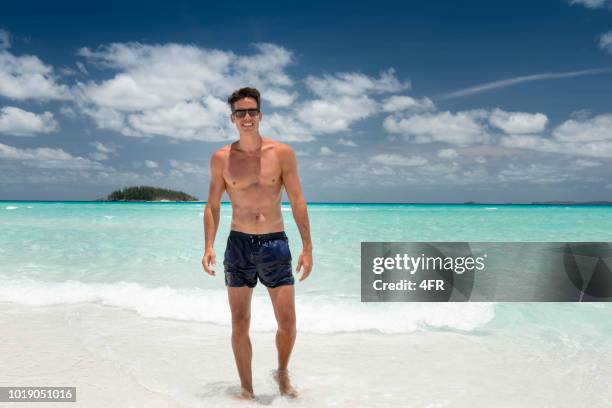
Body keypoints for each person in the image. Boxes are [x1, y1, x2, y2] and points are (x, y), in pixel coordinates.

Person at [202, 87, 313, 400]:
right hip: (238, 245)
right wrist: (208, 245)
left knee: (288, 321)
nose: (247, 117)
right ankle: (246, 390)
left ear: (260, 115)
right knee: (240, 322)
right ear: (232, 118)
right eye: (240, 113)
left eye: (252, 111)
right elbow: (212, 205)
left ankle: (282, 373)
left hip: (275, 244)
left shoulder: (282, 154)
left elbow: (298, 200)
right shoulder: (221, 158)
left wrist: (308, 247)